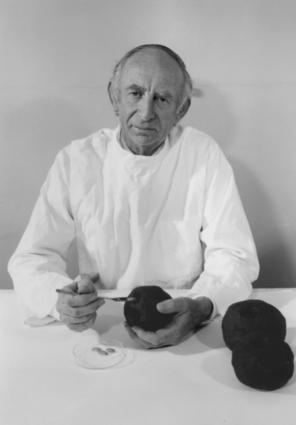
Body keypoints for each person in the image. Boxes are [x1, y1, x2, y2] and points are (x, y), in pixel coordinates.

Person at [8, 44, 259, 348]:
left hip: (183, 313)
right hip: (101, 318)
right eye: (135, 93)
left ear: (181, 108)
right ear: (115, 97)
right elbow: (33, 257)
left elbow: (235, 254)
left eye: (162, 98)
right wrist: (59, 301)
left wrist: (202, 306)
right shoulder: (76, 160)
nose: (146, 113)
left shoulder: (203, 154)